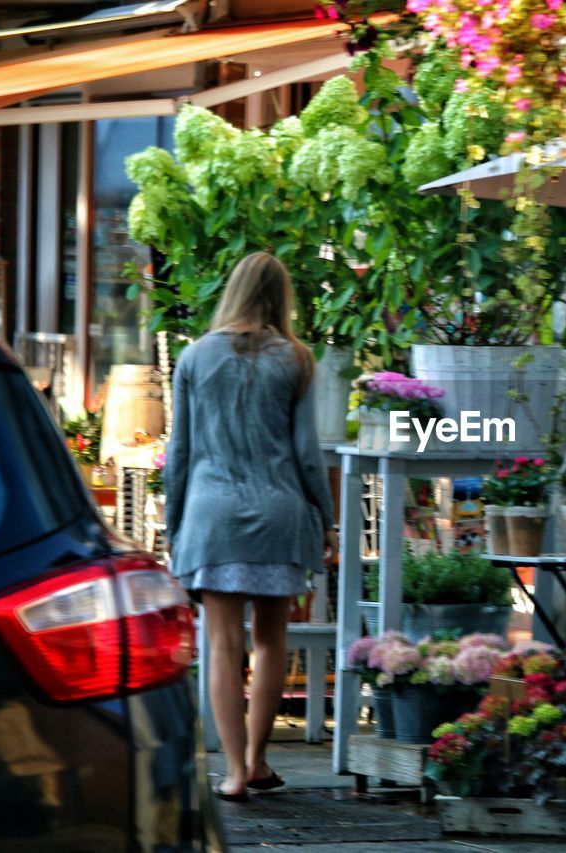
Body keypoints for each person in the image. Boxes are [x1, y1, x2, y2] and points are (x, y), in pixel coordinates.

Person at [164, 252, 338, 802]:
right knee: (270, 642)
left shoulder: (194, 358)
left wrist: (175, 527)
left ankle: (234, 771)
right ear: (280, 297)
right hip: (279, 515)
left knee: (220, 644)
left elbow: (180, 454)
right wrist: (326, 520)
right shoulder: (297, 360)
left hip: (212, 518)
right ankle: (259, 760)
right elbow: (308, 455)